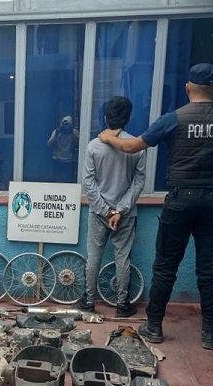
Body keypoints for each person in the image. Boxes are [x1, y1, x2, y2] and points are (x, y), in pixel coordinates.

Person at [98, 63, 213, 349]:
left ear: (188, 88)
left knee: (165, 265)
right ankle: (210, 334)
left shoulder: (174, 119)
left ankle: (153, 326)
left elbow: (132, 147)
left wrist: (109, 136)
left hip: (180, 200)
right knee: (209, 268)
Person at [75, 96, 146, 317]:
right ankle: (122, 305)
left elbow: (88, 182)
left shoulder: (94, 146)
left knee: (94, 255)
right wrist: (119, 210)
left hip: (99, 212)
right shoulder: (136, 146)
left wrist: (106, 211)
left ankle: (88, 300)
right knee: (122, 257)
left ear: (105, 118)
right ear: (128, 119)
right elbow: (139, 181)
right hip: (125, 214)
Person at [47, 116, 79, 181]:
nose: (66, 127)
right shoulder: (56, 132)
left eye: (68, 125)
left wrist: (73, 135)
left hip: (69, 160)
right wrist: (55, 136)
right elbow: (49, 144)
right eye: (64, 125)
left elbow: (78, 144)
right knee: (57, 180)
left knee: (68, 180)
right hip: (58, 159)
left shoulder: (74, 133)